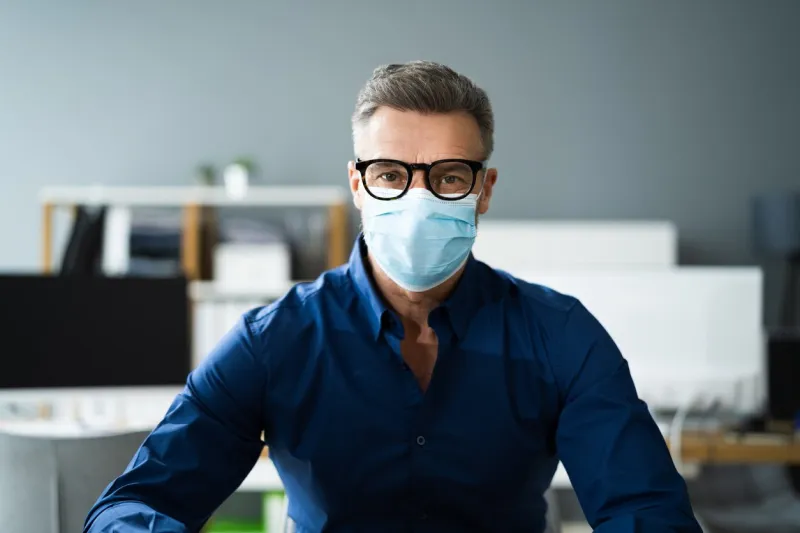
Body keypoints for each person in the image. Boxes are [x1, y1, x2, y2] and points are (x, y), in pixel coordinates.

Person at [84, 61, 701, 533]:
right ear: (358, 183)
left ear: (483, 190)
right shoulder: (275, 342)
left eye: (449, 177)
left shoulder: (561, 337)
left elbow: (643, 507)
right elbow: (137, 503)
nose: (419, 200)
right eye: (390, 175)